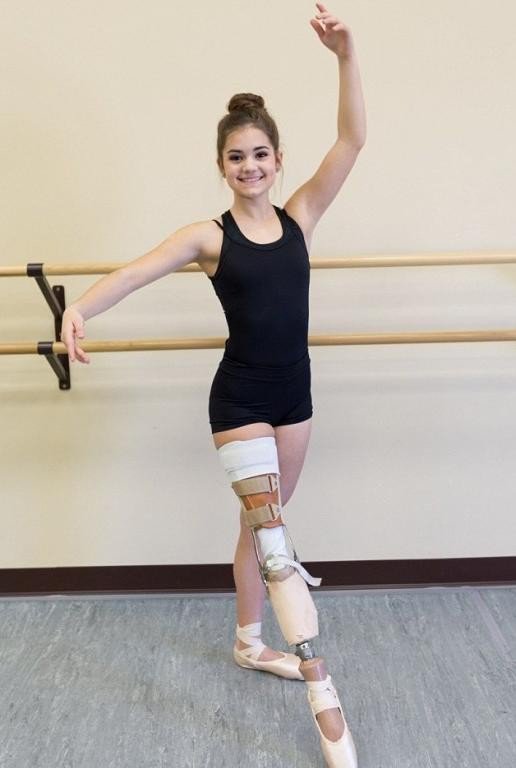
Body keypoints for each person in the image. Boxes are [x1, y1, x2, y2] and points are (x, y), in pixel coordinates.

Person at [61, 4, 366, 765]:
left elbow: (353, 140)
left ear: (278, 159)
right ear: (222, 166)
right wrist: (79, 310)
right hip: (239, 401)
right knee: (274, 539)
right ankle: (323, 690)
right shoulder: (209, 236)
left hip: (295, 398)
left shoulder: (301, 218)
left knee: (260, 531)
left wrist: (346, 56)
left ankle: (248, 642)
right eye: (237, 157)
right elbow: (135, 272)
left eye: (261, 154)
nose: (250, 166)